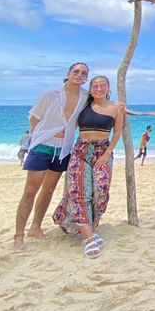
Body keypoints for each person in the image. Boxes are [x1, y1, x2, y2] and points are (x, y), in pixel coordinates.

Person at [14, 62, 90, 250]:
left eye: (83, 73)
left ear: (86, 77)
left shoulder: (85, 96)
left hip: (63, 148)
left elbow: (101, 103)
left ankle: (36, 227)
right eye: (76, 71)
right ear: (68, 73)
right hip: (43, 145)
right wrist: (41, 136)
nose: (79, 75)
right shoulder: (51, 94)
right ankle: (18, 235)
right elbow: (34, 118)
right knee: (31, 190)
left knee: (48, 190)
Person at [53, 75, 123, 259]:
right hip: (81, 150)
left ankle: (91, 229)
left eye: (102, 86)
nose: (98, 89)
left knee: (101, 192)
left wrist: (107, 154)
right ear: (90, 89)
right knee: (80, 192)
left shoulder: (116, 107)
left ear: (108, 88)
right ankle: (89, 239)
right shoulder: (83, 104)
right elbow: (67, 119)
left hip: (103, 151)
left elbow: (117, 131)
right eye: (95, 86)